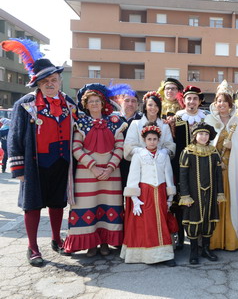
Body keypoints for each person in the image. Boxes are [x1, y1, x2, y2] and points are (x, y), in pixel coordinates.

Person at [4, 41, 78, 266]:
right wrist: (18, 168)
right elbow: (14, 137)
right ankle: (33, 247)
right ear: (37, 84)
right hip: (35, 163)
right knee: (32, 205)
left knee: (58, 203)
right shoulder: (25, 104)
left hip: (62, 161)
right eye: (45, 81)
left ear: (60, 80)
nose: (50, 84)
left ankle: (56, 239)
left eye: (53, 80)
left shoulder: (69, 103)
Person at [64, 83, 127, 257]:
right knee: (87, 206)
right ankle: (91, 243)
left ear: (103, 103)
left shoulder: (115, 122)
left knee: (109, 205)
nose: (94, 104)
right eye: (90, 101)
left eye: (97, 101)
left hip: (111, 173)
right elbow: (76, 148)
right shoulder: (80, 123)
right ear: (86, 104)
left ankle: (105, 242)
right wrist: (93, 166)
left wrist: (109, 168)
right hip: (86, 173)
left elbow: (120, 146)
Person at [121, 122, 177, 266]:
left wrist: (170, 196)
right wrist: (134, 198)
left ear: (159, 140)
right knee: (148, 224)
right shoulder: (139, 155)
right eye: (149, 139)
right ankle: (147, 255)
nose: (152, 142)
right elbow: (133, 176)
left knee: (162, 221)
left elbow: (168, 174)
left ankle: (165, 254)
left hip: (160, 191)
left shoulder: (163, 155)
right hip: (145, 193)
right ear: (144, 140)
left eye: (155, 139)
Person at [205, 80, 238, 251]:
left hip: (231, 170)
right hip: (214, 170)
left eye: (224, 101)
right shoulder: (208, 120)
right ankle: (214, 240)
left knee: (231, 201)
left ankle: (231, 239)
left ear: (230, 104)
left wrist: (234, 146)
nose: (221, 104)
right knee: (215, 202)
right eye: (218, 101)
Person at [178, 122, 225, 264]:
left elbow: (218, 175)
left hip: (210, 193)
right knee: (193, 221)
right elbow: (183, 175)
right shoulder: (188, 152)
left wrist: (219, 193)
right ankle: (193, 251)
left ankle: (206, 249)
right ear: (195, 136)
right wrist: (185, 195)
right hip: (193, 194)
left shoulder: (213, 152)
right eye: (201, 134)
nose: (204, 137)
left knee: (208, 220)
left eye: (206, 134)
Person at [171, 85, 206, 250]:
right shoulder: (176, 119)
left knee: (200, 199)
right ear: (183, 101)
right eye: (189, 98)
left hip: (201, 165)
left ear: (199, 101)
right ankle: (180, 235)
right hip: (180, 166)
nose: (192, 102)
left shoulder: (205, 119)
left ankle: (199, 235)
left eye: (195, 99)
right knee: (180, 201)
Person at [107, 84, 142, 189]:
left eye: (133, 101)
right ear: (120, 102)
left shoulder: (143, 120)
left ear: (138, 104)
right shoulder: (112, 119)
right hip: (115, 163)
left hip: (135, 163)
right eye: (127, 100)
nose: (130, 104)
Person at [124, 91, 175, 161]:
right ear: (145, 107)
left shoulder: (164, 125)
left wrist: (162, 153)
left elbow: (169, 145)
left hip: (160, 163)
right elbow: (129, 146)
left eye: (156, 105)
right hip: (140, 162)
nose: (153, 108)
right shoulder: (135, 124)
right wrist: (144, 153)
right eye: (150, 105)